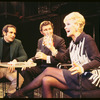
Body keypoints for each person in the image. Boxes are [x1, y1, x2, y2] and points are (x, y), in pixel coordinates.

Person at [10, 12, 100, 98]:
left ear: (77, 25)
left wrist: (82, 68)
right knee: (46, 80)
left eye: (68, 24)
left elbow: (97, 60)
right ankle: (21, 93)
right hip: (78, 76)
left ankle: (20, 93)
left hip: (90, 78)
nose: (65, 27)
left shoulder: (87, 39)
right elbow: (64, 58)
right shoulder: (72, 43)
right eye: (65, 25)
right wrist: (52, 48)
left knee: (48, 70)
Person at [19, 21, 67, 98]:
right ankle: (29, 96)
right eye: (45, 30)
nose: (48, 32)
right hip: (42, 67)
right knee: (26, 70)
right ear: (41, 32)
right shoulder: (40, 40)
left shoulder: (59, 40)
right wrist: (30, 60)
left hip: (54, 69)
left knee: (46, 79)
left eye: (49, 29)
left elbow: (63, 59)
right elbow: (38, 55)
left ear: (52, 29)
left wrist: (47, 58)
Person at [0, 24, 28, 97]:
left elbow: (24, 56)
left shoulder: (17, 42)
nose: (13, 35)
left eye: (14, 33)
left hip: (9, 69)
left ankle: (9, 96)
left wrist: (15, 60)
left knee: (19, 79)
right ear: (4, 33)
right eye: (11, 32)